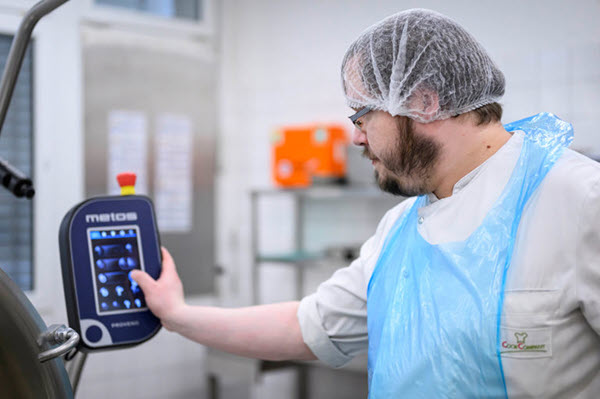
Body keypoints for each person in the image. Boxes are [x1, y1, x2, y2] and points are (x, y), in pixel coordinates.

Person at [131, 8, 600, 398]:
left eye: (362, 115)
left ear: (423, 101)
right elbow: (309, 327)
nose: (355, 137)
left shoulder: (578, 200)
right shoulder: (401, 229)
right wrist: (179, 315)